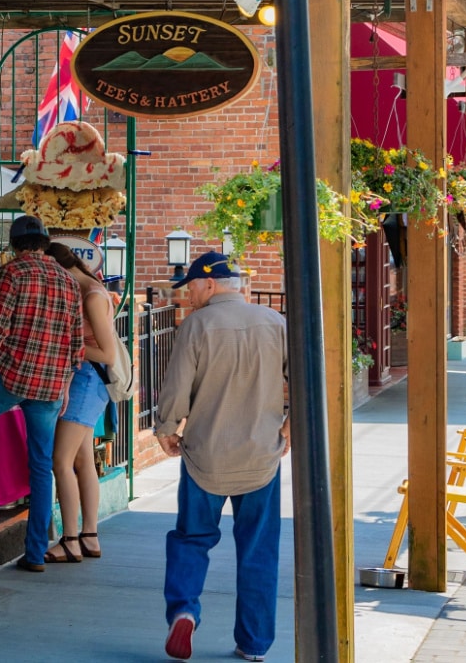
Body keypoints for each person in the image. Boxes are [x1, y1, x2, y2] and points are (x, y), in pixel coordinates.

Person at [156, 252, 289, 663]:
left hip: (204, 458)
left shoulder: (197, 325)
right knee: (259, 550)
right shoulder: (276, 323)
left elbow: (177, 388)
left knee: (191, 540)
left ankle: (183, 610)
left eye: (192, 287)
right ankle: (254, 643)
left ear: (210, 284)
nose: (189, 296)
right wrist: (289, 428)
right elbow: (305, 379)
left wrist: (165, 429)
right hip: (261, 457)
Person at [0, 214, 84, 571]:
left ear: (15, 244)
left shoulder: (14, 272)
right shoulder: (68, 280)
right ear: (45, 241)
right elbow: (75, 344)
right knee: (41, 467)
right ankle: (35, 553)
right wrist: (64, 385)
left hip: (11, 376)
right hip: (51, 384)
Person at [42, 242, 120, 563]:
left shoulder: (90, 295)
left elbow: (108, 353)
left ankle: (70, 539)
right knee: (83, 461)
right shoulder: (88, 288)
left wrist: (68, 346)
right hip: (87, 379)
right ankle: (89, 535)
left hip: (88, 379)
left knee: (60, 461)